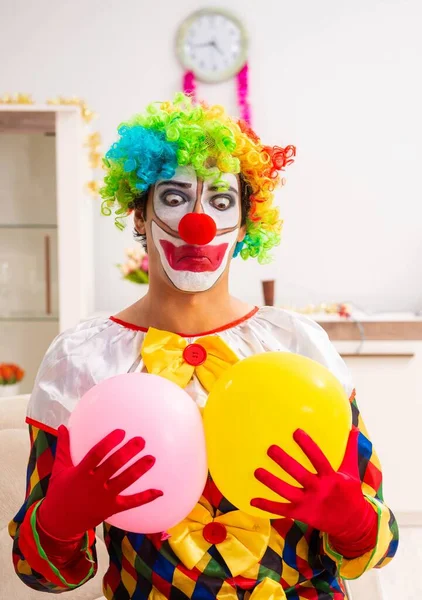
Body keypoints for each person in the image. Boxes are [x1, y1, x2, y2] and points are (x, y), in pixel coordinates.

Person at [10, 93, 398, 599]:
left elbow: (375, 547)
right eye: (173, 198)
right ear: (140, 216)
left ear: (243, 226)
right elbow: (43, 573)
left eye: (220, 201)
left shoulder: (298, 345)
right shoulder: (81, 358)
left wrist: (352, 519)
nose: (199, 223)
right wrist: (59, 521)